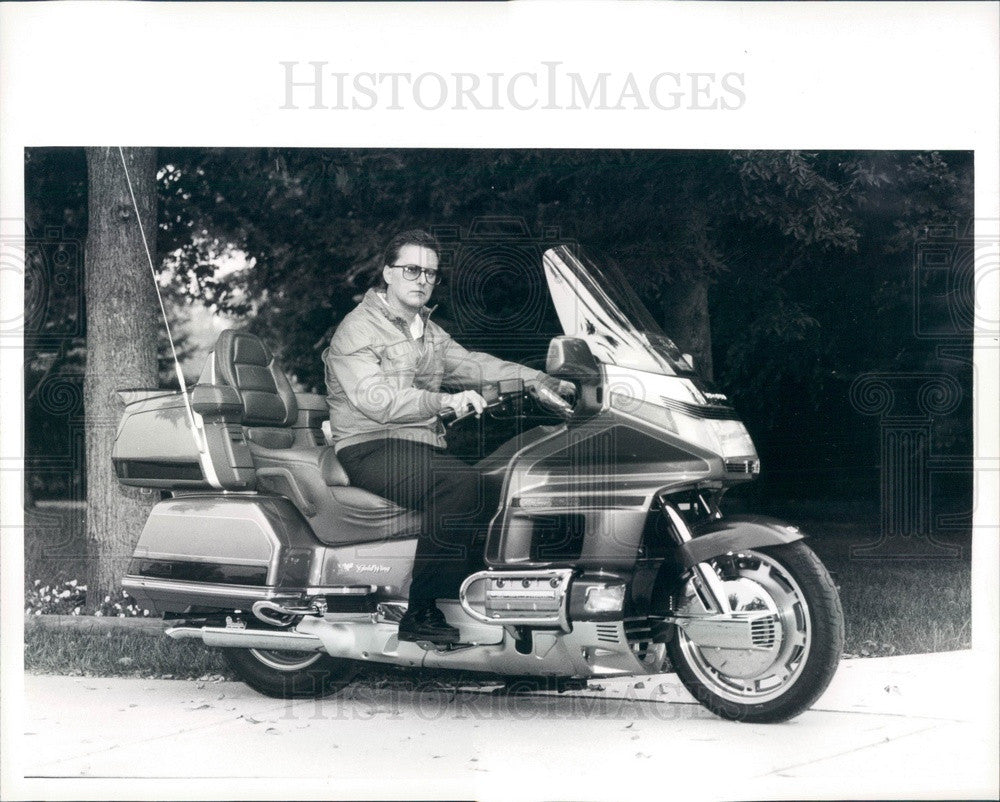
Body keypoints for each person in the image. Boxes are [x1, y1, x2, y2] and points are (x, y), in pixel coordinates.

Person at [323, 229, 572, 644]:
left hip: (419, 445)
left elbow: (474, 365)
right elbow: (377, 399)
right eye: (412, 270)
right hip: (368, 444)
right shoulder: (357, 329)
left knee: (506, 480)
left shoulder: (427, 331)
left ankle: (482, 604)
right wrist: (443, 402)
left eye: (431, 274)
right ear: (388, 273)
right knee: (458, 486)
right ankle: (420, 611)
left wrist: (541, 379)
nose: (422, 280)